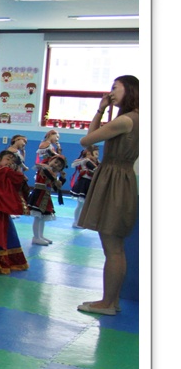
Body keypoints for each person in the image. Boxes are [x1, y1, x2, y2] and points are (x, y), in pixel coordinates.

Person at [76, 74, 139, 316]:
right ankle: (112, 300)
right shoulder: (136, 118)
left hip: (115, 179)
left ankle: (108, 303)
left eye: (115, 87)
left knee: (112, 247)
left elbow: (86, 140)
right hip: (122, 178)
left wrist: (100, 111)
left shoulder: (125, 120)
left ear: (129, 90)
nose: (111, 92)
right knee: (115, 247)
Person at [28, 153, 67, 246]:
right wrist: (57, 179)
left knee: (42, 218)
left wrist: (62, 178)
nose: (56, 165)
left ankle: (40, 235)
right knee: (38, 217)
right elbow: (50, 177)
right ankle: (36, 237)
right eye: (55, 162)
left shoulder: (53, 174)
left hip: (46, 196)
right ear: (51, 160)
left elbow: (56, 188)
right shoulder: (43, 167)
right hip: (39, 194)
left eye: (59, 166)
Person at [69, 147, 100, 227]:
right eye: (89, 154)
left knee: (85, 206)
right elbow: (96, 170)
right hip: (83, 183)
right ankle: (76, 222)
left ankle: (82, 222)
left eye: (96, 154)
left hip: (90, 184)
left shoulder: (97, 162)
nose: (93, 156)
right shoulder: (86, 161)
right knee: (80, 205)